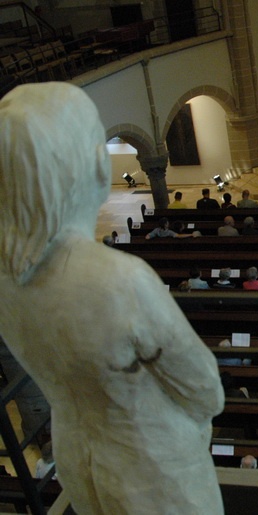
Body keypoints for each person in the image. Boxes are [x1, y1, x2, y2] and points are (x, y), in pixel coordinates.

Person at [0, 83, 224, 514]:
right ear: (87, 166)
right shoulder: (117, 279)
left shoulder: (6, 279)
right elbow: (204, 390)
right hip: (151, 465)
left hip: (76, 455)